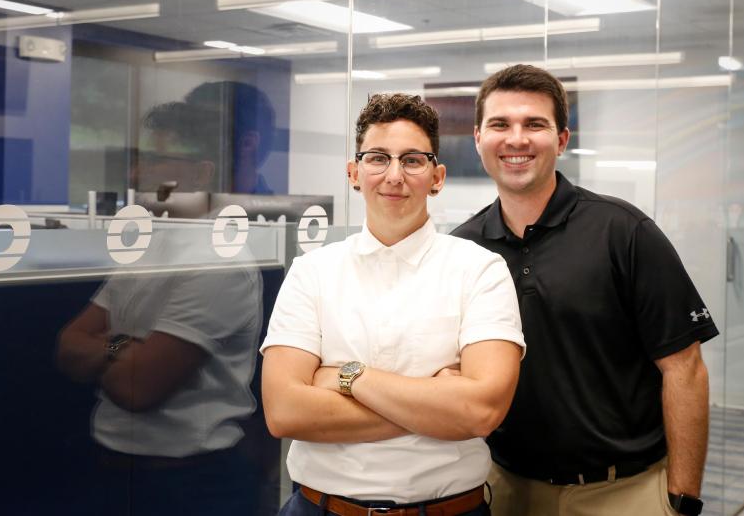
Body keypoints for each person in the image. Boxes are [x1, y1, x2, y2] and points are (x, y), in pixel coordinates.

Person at [451, 64, 718, 516]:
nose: (516, 139)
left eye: (535, 124)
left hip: (622, 493)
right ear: (478, 138)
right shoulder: (461, 249)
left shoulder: (625, 232)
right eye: (500, 124)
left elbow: (685, 369)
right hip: (503, 488)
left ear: (561, 139)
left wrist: (682, 498)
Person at [261, 93, 526, 516]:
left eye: (413, 160)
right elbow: (284, 411)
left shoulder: (479, 270)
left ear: (437, 176)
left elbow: (480, 411)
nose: (394, 175)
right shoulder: (312, 272)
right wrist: (436, 407)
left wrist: (349, 377)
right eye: (378, 158)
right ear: (354, 172)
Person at [57, 96, 266, 515]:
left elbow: (137, 387)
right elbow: (67, 347)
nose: (137, 172)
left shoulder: (217, 261)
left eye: (155, 159)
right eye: (139, 159)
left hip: (191, 486)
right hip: (114, 470)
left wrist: (106, 349)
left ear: (202, 172)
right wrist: (122, 347)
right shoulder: (149, 244)